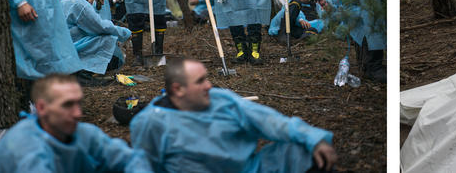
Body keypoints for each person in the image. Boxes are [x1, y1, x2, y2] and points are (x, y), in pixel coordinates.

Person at [129, 57, 337, 173]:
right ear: (178, 89)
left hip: (250, 169)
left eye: (207, 79)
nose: (209, 86)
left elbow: (268, 120)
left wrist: (313, 139)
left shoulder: (220, 99)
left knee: (303, 152)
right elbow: (143, 165)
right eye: (200, 81)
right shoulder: (150, 122)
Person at [0, 74, 153, 172]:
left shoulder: (83, 133)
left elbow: (129, 158)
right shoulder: (27, 149)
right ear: (41, 108)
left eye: (79, 103)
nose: (78, 114)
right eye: (67, 105)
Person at [62, 0, 130, 86]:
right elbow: (101, 26)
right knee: (107, 40)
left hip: (63, 47)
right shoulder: (81, 5)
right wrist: (125, 33)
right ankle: (82, 75)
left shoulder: (75, 3)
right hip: (65, 50)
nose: (103, 4)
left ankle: (81, 73)